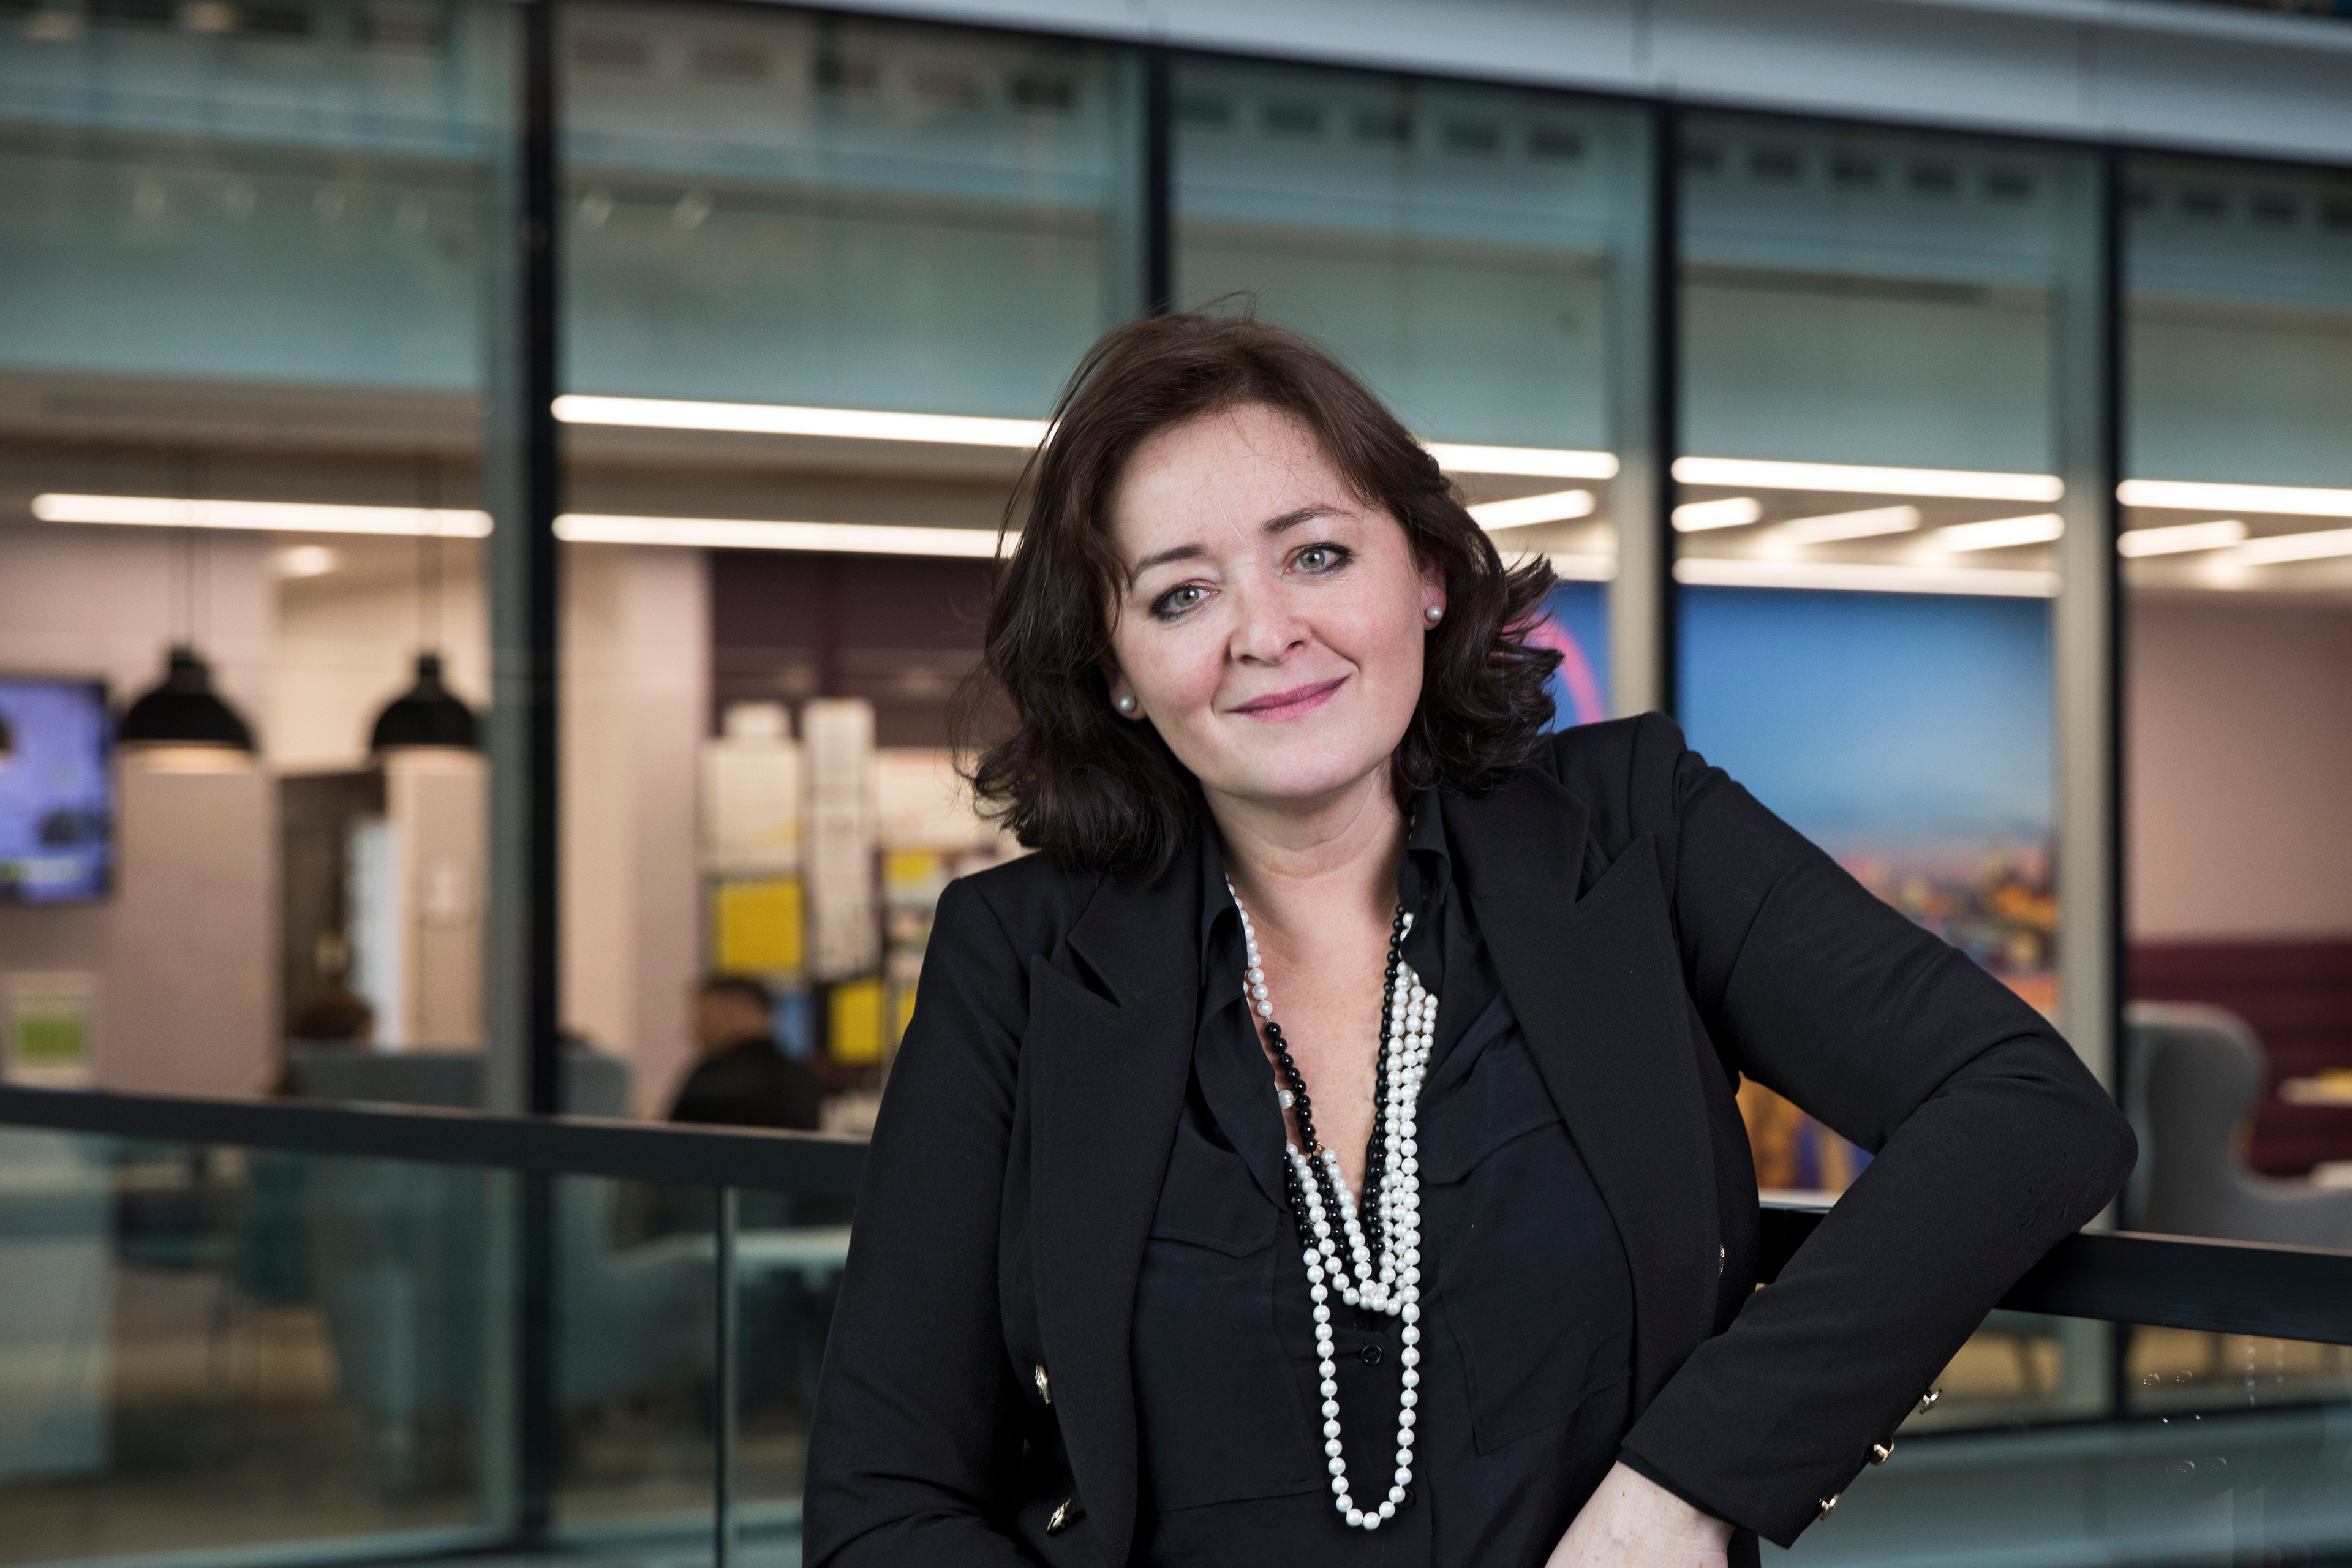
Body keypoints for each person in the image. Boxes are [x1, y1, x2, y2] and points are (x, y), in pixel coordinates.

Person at [804, 312, 2135, 1568]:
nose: (1266, 633)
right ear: (1116, 672)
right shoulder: (1016, 958)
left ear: (1430, 575)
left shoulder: (1636, 833)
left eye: (1316, 555)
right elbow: (881, 1503)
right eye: (1181, 594)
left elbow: (2025, 1108)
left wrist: (1686, 1491)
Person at [669, 974, 824, 1131]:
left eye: (705, 1017)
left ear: (735, 1013)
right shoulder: (803, 1077)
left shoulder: (710, 1076)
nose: (696, 1032)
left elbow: (671, 1140)